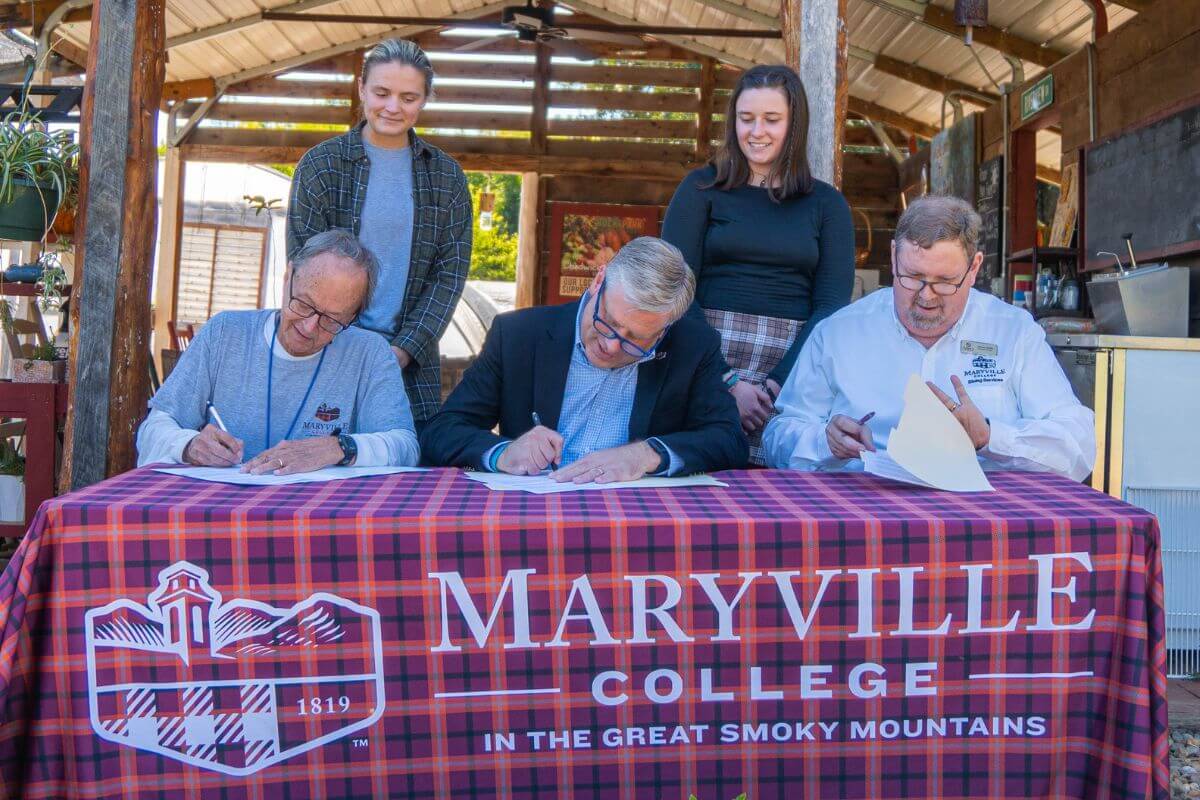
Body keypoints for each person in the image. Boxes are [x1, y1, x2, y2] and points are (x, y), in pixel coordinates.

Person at [762, 194, 1095, 481]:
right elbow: (777, 436)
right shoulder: (839, 332)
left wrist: (990, 437)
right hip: (867, 512)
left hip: (986, 517)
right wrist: (824, 441)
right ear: (893, 257)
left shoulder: (1013, 332)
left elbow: (1078, 447)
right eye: (913, 277)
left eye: (945, 281)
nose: (926, 296)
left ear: (974, 268)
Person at [420, 237, 748, 481]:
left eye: (636, 339)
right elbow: (441, 432)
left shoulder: (693, 345)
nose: (610, 344)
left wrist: (646, 454)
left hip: (635, 524)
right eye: (607, 321)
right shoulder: (519, 335)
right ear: (597, 281)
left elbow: (728, 440)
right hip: (534, 515)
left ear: (664, 329)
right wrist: (504, 452)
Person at [661, 63, 855, 463]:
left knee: (780, 498)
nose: (756, 131)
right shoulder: (700, 189)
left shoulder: (827, 205)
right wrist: (727, 380)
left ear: (794, 124)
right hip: (702, 356)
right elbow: (672, 288)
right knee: (695, 475)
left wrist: (776, 384)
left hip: (794, 370)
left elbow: (832, 305)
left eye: (772, 119)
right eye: (746, 119)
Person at [286, 38, 471, 434]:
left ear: (423, 101)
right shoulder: (321, 166)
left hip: (408, 362)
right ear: (361, 89)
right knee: (313, 470)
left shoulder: (446, 176)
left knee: (403, 476)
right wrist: (337, 341)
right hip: (325, 349)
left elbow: (449, 276)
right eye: (382, 93)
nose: (392, 107)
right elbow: (304, 268)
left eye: (408, 97)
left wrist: (401, 351)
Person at [137, 229, 420, 474]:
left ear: (353, 317)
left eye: (332, 320)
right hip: (224, 512)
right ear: (288, 278)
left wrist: (339, 447)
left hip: (320, 519)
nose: (309, 327)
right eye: (304, 304)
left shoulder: (370, 353)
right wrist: (187, 445)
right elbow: (153, 429)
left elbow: (405, 447)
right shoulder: (225, 333)